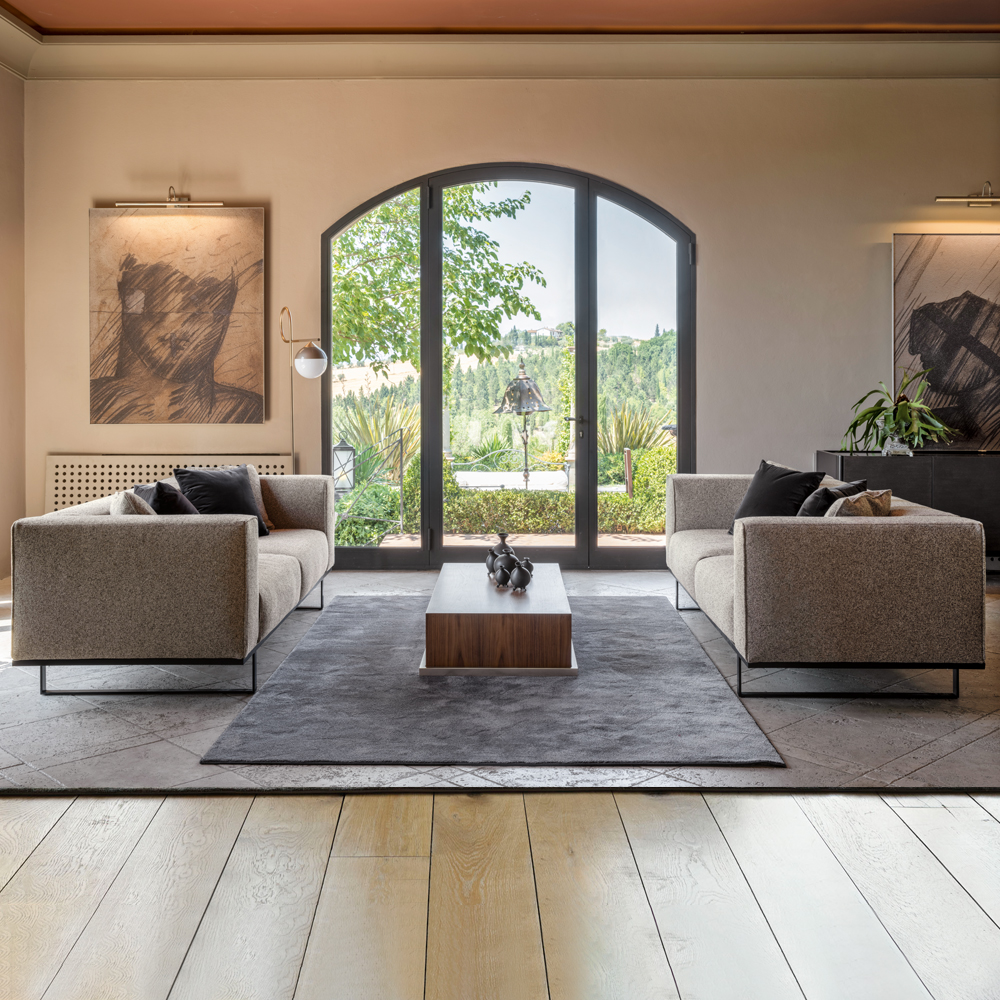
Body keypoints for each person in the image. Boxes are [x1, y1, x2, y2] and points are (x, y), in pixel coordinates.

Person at [90, 253, 264, 424]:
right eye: (161, 293)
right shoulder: (84, 404)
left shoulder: (250, 412)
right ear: (129, 300)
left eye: (209, 299)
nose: (183, 320)